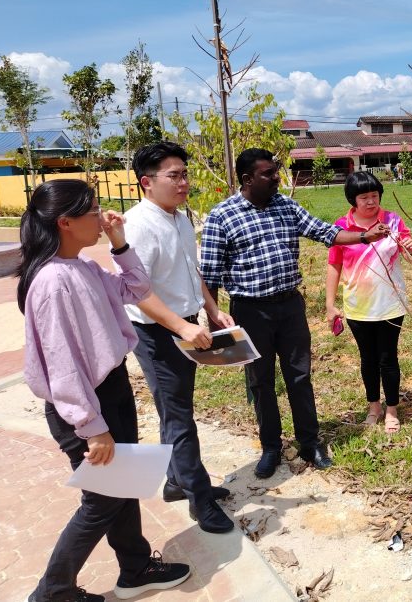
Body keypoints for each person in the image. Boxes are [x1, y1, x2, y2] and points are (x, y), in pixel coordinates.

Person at [18, 179, 190, 602]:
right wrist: (92, 426)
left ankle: (134, 568)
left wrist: (118, 243)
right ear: (65, 222)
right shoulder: (53, 281)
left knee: (123, 485)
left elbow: (136, 289)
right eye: (93, 212)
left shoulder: (83, 266)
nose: (102, 217)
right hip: (85, 403)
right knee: (100, 502)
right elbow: (62, 365)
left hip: (108, 391)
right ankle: (53, 592)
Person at [200, 148, 390, 479]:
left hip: (289, 306)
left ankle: (309, 442)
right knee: (260, 381)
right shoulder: (221, 216)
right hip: (249, 311)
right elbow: (209, 276)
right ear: (247, 179)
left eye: (276, 172)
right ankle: (271, 446)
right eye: (269, 174)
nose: (277, 178)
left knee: (299, 376)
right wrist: (214, 319)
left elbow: (325, 232)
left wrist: (363, 235)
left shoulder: (286, 206)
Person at [123, 142, 236, 534]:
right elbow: (138, 291)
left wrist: (211, 308)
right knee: (180, 417)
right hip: (157, 333)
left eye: (185, 174)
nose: (184, 182)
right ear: (146, 183)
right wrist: (183, 326)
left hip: (185, 324)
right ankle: (199, 499)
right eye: (174, 175)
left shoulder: (180, 217)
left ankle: (175, 481)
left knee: (176, 409)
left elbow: (192, 269)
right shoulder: (137, 225)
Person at [325, 172, 412, 433]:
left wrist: (410, 248)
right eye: (363, 197)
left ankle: (391, 409)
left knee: (388, 357)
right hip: (358, 306)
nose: (370, 202)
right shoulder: (342, 227)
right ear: (353, 200)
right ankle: (373, 406)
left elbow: (411, 255)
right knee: (367, 358)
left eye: (374, 196)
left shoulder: (392, 221)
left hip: (390, 303)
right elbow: (334, 266)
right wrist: (330, 304)